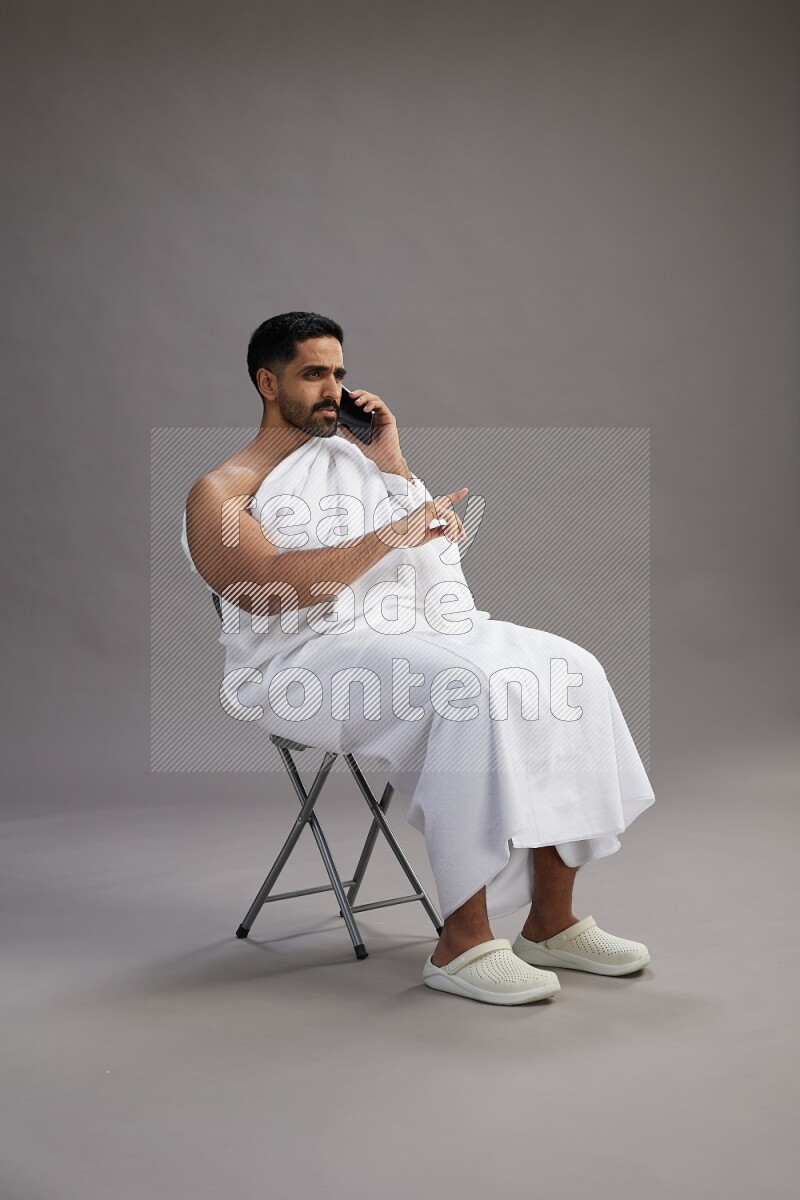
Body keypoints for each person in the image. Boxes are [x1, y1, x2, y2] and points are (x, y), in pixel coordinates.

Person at [181, 311, 656, 1007]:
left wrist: (394, 465)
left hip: (405, 631)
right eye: (313, 374)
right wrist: (385, 536)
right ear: (266, 380)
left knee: (571, 668)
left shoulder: (358, 459)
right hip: (305, 661)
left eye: (338, 373)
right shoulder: (220, 491)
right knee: (469, 689)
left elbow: (429, 557)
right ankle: (460, 942)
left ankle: (550, 924)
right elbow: (267, 588)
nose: (333, 390)